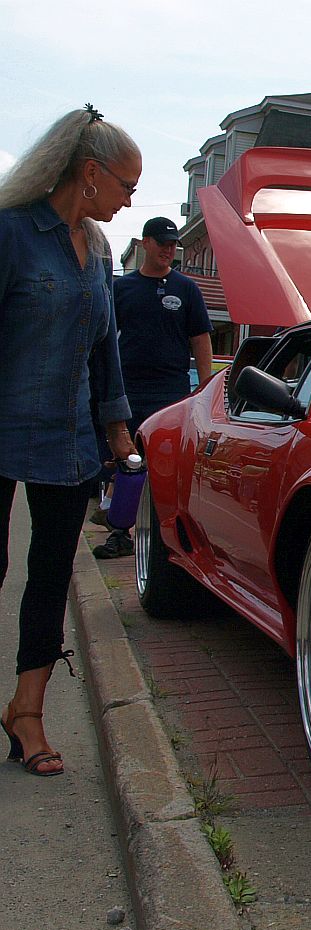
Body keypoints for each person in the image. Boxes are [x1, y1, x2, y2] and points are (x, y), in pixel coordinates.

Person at [0, 105, 138, 776]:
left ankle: (26, 712)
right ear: (89, 174)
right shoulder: (11, 234)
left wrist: (115, 427)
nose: (130, 198)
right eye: (125, 184)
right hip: (1, 425)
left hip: (69, 438)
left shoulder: (103, 248)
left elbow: (105, 345)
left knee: (50, 577)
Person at [93, 216, 213, 559]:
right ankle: (120, 532)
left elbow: (200, 339)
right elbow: (102, 338)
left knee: (165, 467)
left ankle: (165, 539)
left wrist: (204, 389)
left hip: (171, 394)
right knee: (128, 464)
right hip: (129, 390)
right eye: (161, 243)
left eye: (173, 245)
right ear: (145, 243)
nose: (168, 250)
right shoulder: (122, 288)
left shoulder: (186, 289)